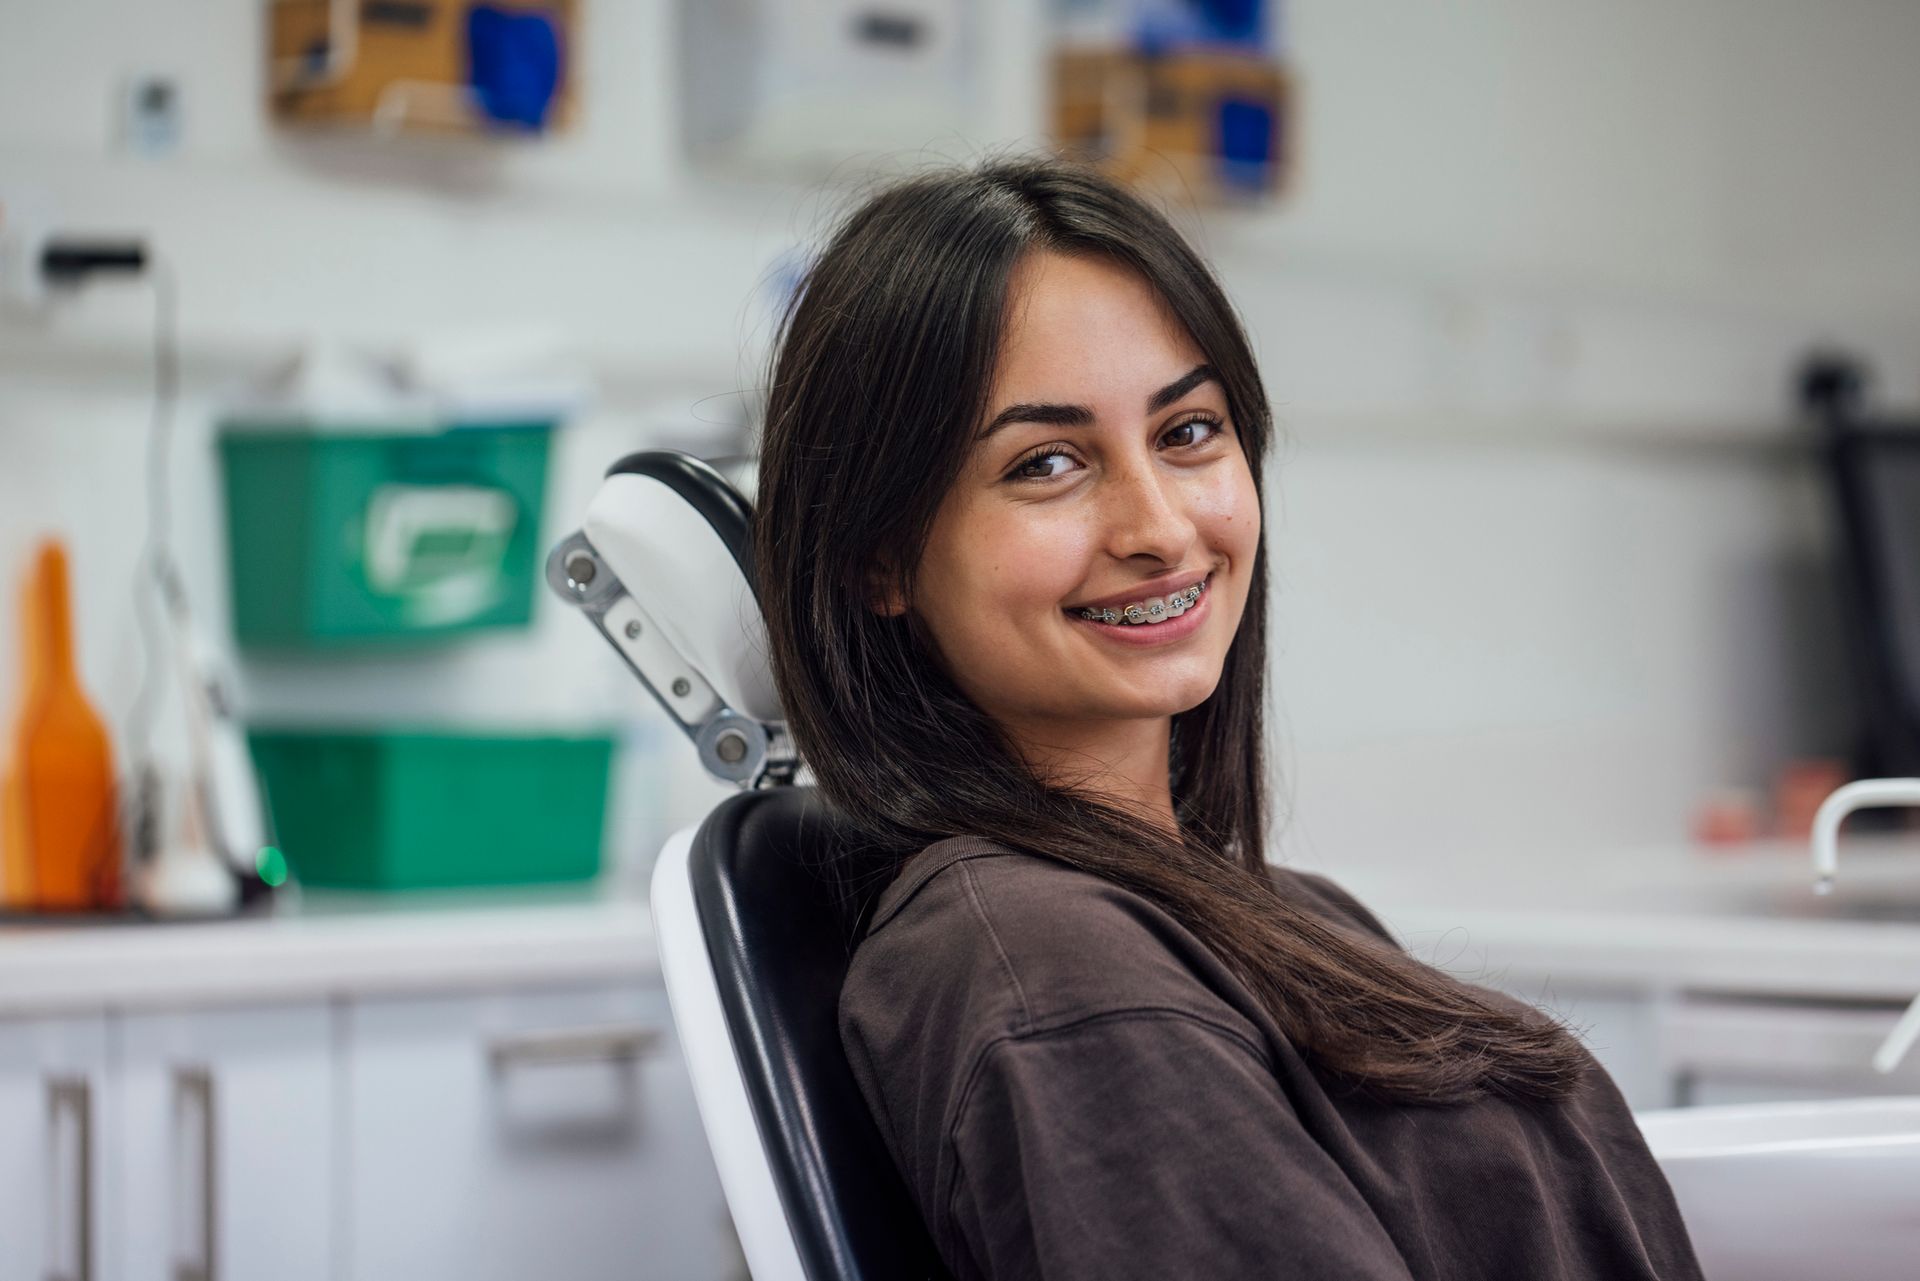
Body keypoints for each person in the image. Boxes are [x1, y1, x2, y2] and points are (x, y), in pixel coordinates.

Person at [749, 154, 1704, 1281]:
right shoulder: (1050, 973)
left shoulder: (1278, 914)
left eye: (1188, 432)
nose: (1159, 524)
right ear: (878, 560)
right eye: (1048, 463)